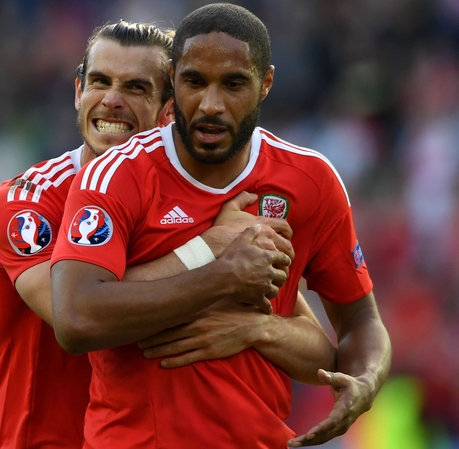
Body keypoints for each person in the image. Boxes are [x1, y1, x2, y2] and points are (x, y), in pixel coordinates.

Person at [0, 21, 339, 449]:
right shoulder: (28, 202)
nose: (111, 100)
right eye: (99, 82)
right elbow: (72, 314)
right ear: (78, 92)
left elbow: (316, 349)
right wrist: (207, 251)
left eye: (136, 88)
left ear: (172, 108)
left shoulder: (200, 205)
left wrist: (258, 329)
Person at [50, 4, 392, 449]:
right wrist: (220, 276)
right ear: (173, 79)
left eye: (233, 84)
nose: (211, 105)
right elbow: (76, 319)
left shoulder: (311, 181)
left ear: (265, 83)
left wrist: (365, 379)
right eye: (194, 82)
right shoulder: (116, 175)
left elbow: (360, 319)